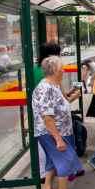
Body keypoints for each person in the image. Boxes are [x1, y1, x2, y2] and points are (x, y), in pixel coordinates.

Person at [32, 56, 83, 189]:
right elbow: (47, 118)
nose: (64, 70)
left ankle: (47, 188)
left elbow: (60, 106)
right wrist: (58, 139)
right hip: (53, 133)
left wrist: (71, 98)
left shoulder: (54, 85)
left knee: (52, 161)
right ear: (54, 70)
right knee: (65, 159)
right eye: (62, 68)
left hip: (58, 131)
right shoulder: (46, 88)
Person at [33, 42, 62, 180]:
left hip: (37, 112)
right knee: (51, 142)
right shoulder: (49, 73)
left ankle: (44, 173)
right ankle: (47, 174)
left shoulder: (34, 70)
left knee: (42, 144)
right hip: (48, 113)